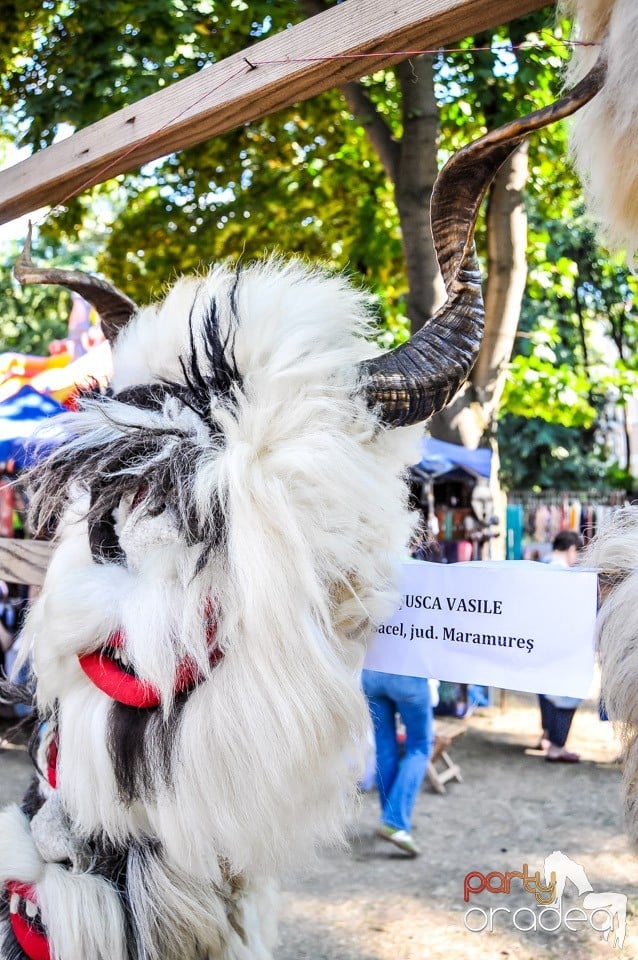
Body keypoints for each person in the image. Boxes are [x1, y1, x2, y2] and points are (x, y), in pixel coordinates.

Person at [361, 669, 433, 856]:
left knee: (385, 748)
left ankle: (391, 818)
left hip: (371, 675)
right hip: (408, 677)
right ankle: (395, 821)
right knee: (419, 747)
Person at [537, 530, 584, 763]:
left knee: (545, 691)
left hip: (539, 642)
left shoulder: (539, 566)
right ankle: (556, 745)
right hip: (561, 645)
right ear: (572, 549)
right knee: (565, 693)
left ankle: (547, 735)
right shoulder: (566, 575)